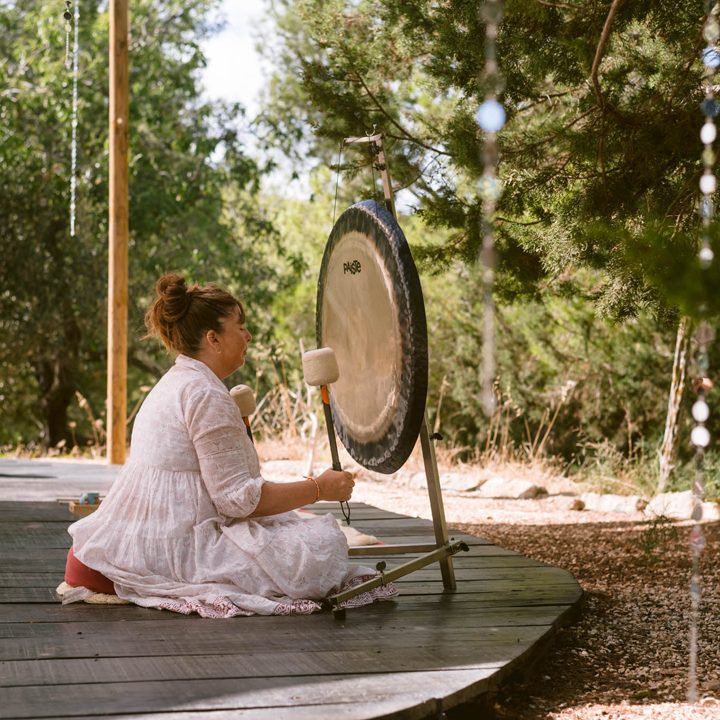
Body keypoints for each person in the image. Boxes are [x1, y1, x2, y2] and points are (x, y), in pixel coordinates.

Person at [63, 273, 397, 617]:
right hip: (168, 548)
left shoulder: (177, 381)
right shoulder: (206, 394)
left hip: (132, 541)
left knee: (298, 531)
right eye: (239, 326)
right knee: (321, 546)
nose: (248, 335)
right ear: (213, 339)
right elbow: (238, 501)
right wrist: (319, 488)